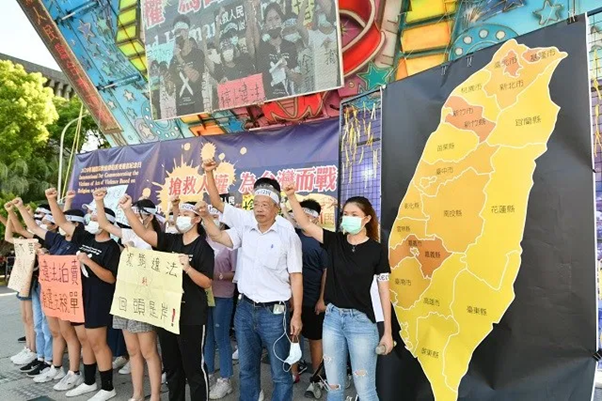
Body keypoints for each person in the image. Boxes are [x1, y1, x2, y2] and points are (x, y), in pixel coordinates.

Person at [200, 160, 303, 401]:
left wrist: (297, 314)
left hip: (275, 313)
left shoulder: (287, 234)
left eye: (265, 205)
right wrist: (205, 215)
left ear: (276, 207)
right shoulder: (246, 227)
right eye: (256, 204)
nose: (259, 209)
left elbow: (296, 276)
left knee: (280, 373)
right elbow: (218, 234)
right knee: (246, 369)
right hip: (245, 309)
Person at [285, 184, 394, 401]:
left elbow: (384, 292)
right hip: (332, 320)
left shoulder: (377, 250)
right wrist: (291, 196)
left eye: (354, 214)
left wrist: (388, 333)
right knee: (334, 387)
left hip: (362, 323)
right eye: (345, 214)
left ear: (367, 219)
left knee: (365, 389)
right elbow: (305, 223)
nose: (348, 218)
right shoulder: (334, 242)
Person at [120, 196, 214, 401]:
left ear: (197, 219)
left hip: (191, 316)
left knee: (194, 369)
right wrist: (127, 209)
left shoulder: (203, 247)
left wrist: (188, 269)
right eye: (180, 214)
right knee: (172, 368)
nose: (181, 218)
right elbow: (144, 233)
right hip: (167, 314)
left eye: (186, 215)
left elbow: (207, 282)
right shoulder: (171, 241)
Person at [46, 188, 120, 401]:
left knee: (97, 342)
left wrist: (88, 262)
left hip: (99, 299)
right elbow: (61, 221)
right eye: (91, 218)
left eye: (96, 218)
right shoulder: (86, 237)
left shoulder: (112, 248)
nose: (91, 221)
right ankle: (89, 381)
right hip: (80, 296)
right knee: (85, 340)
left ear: (107, 222)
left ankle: (108, 387)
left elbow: (110, 278)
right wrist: (52, 200)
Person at [94, 189, 162, 401]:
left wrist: (134, 253)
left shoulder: (157, 240)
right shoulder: (129, 234)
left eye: (138, 214)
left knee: (148, 351)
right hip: (126, 296)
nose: (133, 217)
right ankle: (137, 394)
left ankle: (155, 395)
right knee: (132, 351)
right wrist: (99, 201)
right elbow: (104, 224)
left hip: (145, 298)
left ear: (149, 217)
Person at [14, 198, 88, 390]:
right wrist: (21, 207)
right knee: (56, 332)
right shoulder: (57, 240)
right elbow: (33, 227)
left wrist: (53, 200)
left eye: (67, 221)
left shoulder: (81, 240)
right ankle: (56, 367)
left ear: (76, 224)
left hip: (70, 297)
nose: (61, 224)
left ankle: (74, 372)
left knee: (69, 335)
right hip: (53, 294)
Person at [287, 199, 329, 397]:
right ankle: (293, 373)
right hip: (294, 299)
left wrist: (322, 299)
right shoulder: (293, 236)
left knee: (315, 340)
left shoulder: (322, 241)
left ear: (314, 217)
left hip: (314, 300)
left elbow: (326, 272)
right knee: (293, 336)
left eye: (305, 214)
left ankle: (317, 379)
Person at [203, 206, 236, 399]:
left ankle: (225, 378)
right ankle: (208, 373)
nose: (212, 220)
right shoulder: (203, 240)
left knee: (221, 337)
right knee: (207, 336)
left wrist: (220, 275)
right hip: (204, 294)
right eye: (210, 216)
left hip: (222, 295)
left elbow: (236, 272)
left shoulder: (230, 242)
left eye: (216, 216)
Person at [3, 202, 37, 367]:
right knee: (25, 317)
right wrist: (10, 214)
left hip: (31, 281)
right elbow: (9, 236)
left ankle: (33, 349)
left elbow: (19, 229)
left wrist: (13, 213)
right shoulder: (25, 240)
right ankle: (28, 347)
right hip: (23, 280)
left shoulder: (36, 239)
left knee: (31, 318)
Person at [247, 2, 302, 98]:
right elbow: (250, 42)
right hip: (270, 101)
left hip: (290, 99)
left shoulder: (290, 46)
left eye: (277, 18)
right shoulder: (262, 47)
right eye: (270, 20)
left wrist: (286, 70)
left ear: (281, 20)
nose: (273, 23)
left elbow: (300, 80)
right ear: (265, 24)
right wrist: (251, 16)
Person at [297, 0, 340, 92]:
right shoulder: (312, 36)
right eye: (320, 13)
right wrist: (305, 2)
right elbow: (299, 27)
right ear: (316, 16)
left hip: (337, 83)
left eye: (324, 12)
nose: (323, 15)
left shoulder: (338, 32)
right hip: (321, 86)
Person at [170, 15, 207, 116]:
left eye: (180, 31)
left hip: (196, 108)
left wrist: (179, 58)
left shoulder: (197, 54)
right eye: (175, 32)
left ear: (187, 31)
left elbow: (195, 78)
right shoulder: (173, 60)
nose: (178, 34)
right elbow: (170, 89)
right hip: (181, 110)